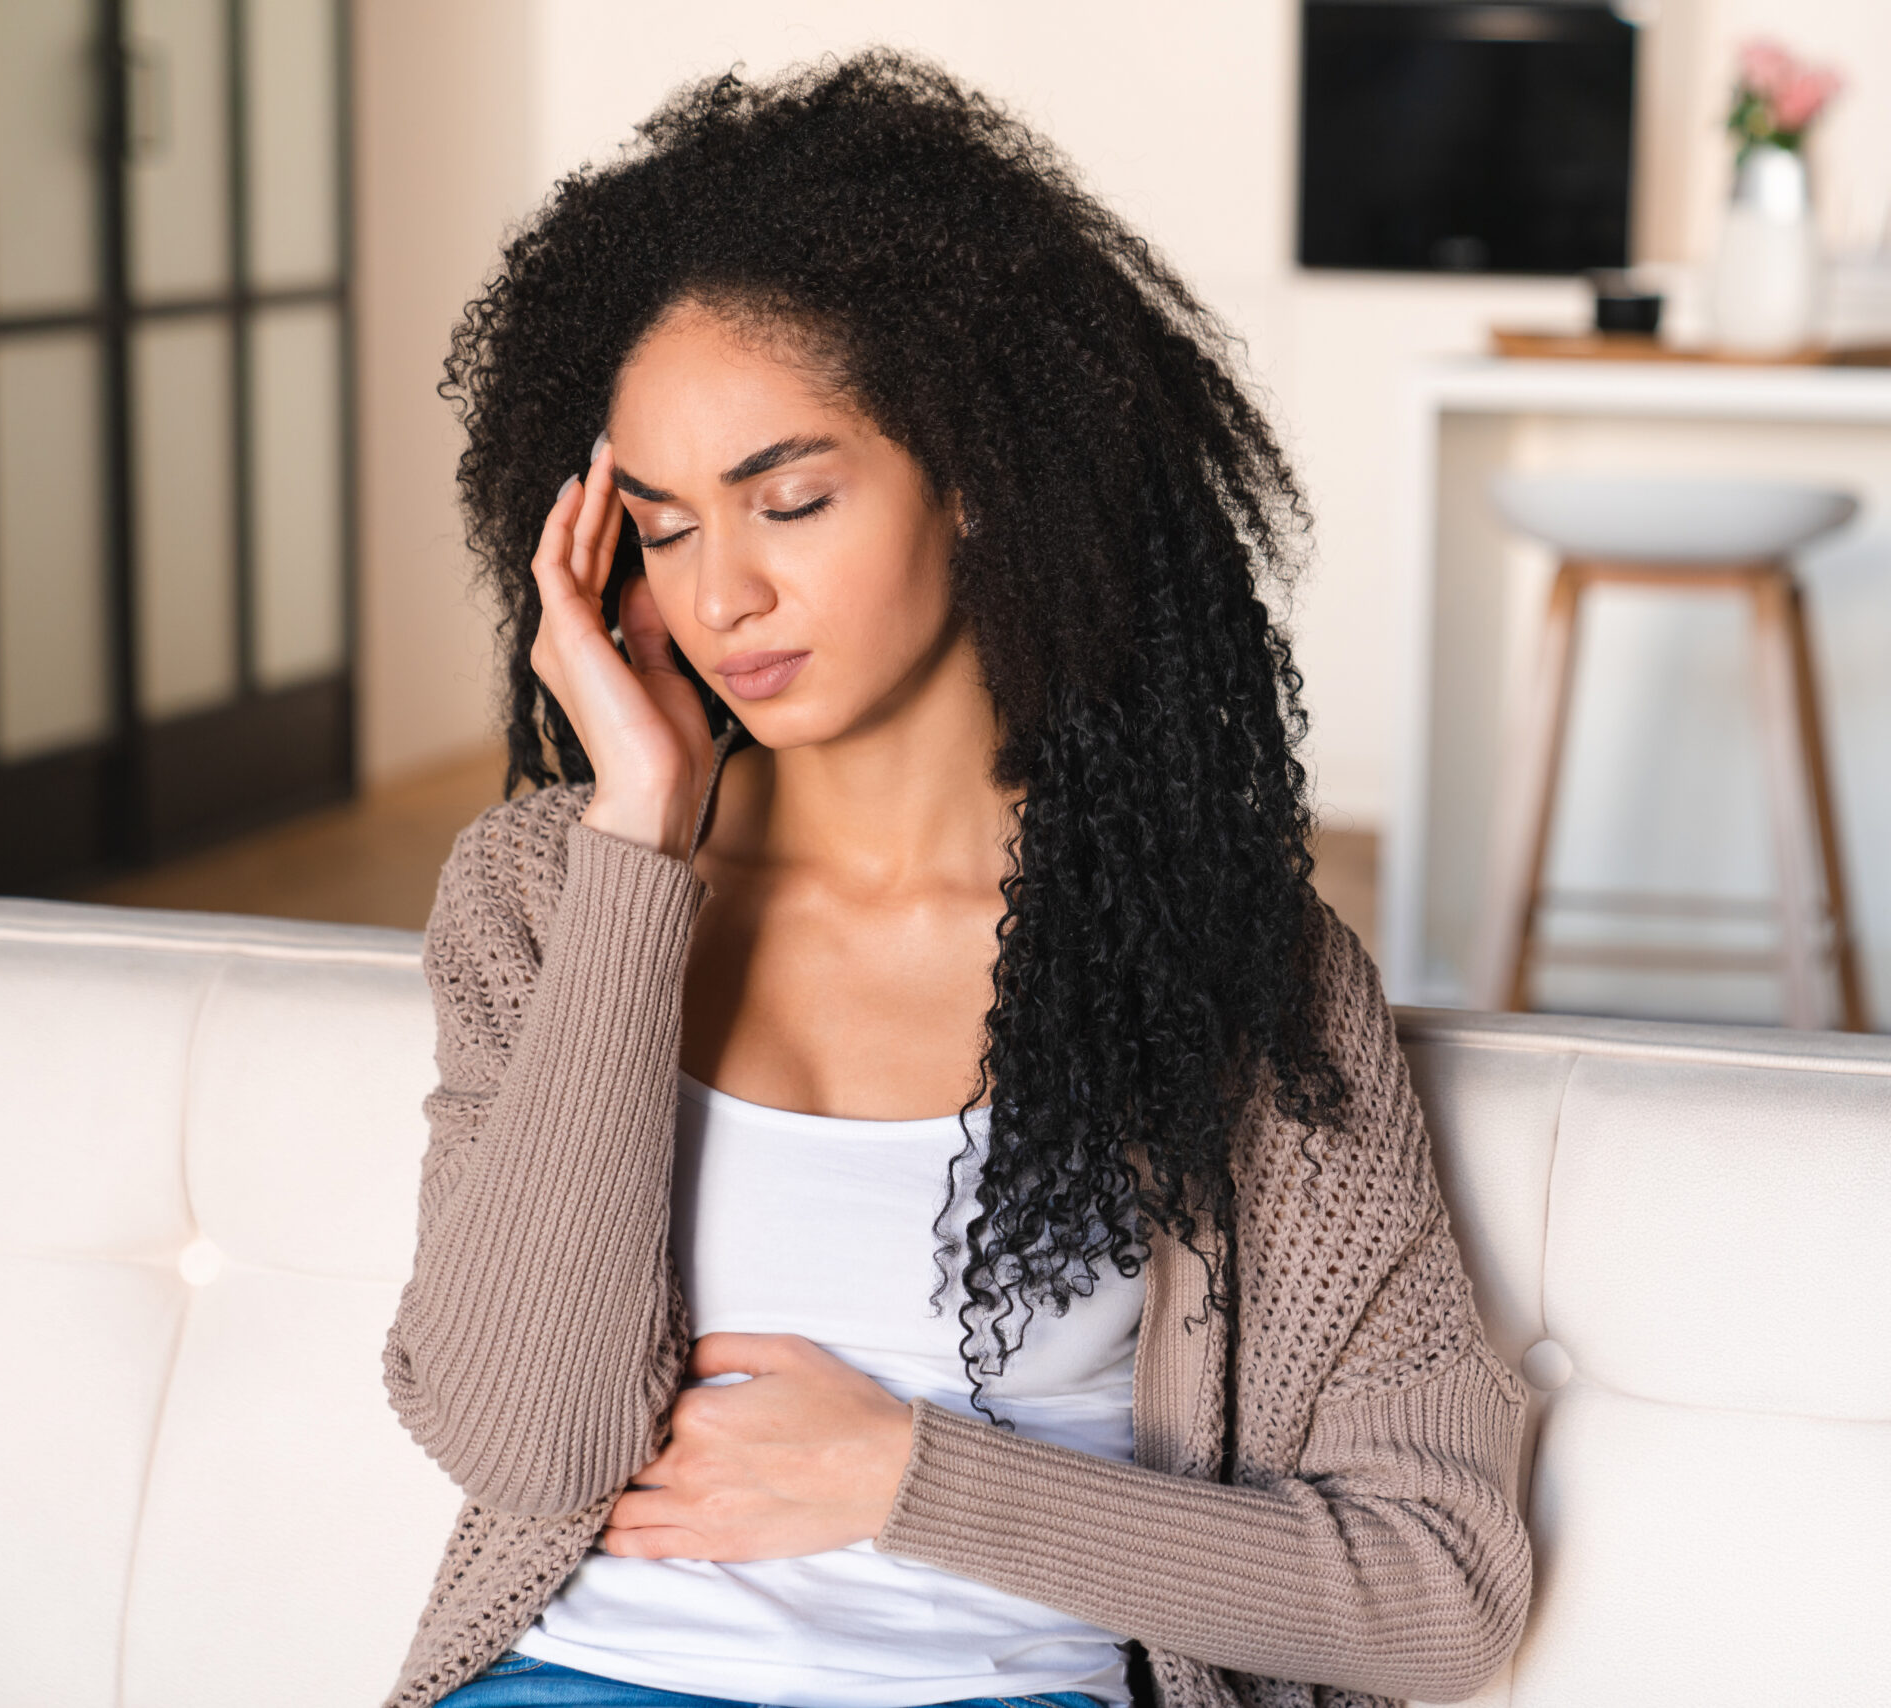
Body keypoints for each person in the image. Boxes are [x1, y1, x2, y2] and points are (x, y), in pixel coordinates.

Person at [381, 53, 1530, 1708]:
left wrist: (908, 1478)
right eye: (667, 528)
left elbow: (1438, 1591)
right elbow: (523, 1435)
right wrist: (641, 836)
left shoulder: (1220, 954)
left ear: (977, 472)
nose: (727, 596)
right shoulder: (543, 899)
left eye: (790, 499)